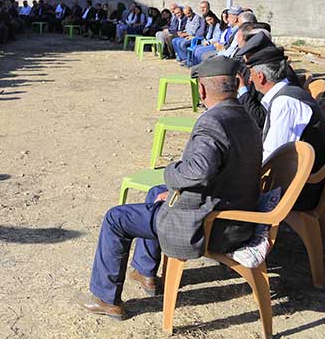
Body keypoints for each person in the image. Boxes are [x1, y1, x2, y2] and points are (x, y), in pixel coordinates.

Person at [80, 56, 261, 319]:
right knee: (156, 193)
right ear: (235, 84)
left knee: (116, 218)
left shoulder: (213, 122)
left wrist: (171, 173)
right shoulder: (245, 116)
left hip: (211, 224)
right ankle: (145, 272)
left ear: (200, 90)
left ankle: (106, 299)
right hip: (234, 210)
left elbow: (198, 171)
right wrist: (175, 190)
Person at [243, 44, 325, 210]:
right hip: (301, 180)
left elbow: (272, 155)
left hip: (299, 190)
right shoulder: (288, 93)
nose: (249, 80)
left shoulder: (285, 103)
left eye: (251, 74)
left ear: (260, 77)